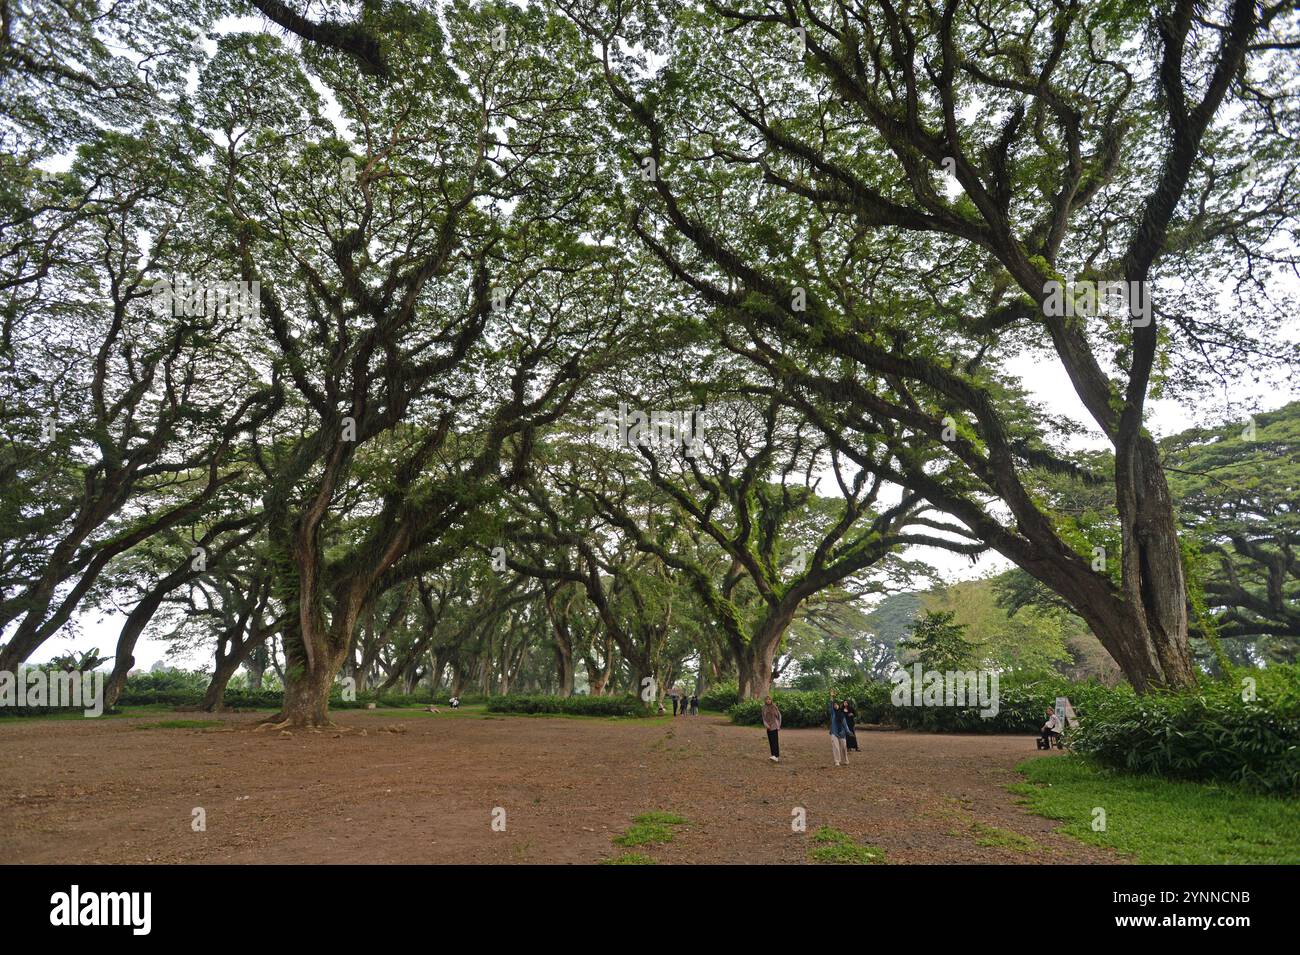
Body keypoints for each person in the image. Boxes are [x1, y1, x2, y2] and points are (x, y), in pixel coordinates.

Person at [828, 691, 850, 766]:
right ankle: (837, 761)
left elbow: (845, 724)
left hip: (842, 732)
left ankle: (846, 760)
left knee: (844, 747)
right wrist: (831, 697)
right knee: (836, 747)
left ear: (839, 705)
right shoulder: (833, 713)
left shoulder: (842, 714)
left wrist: (848, 731)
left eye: (836, 704)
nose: (835, 706)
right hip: (834, 732)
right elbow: (830, 704)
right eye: (834, 705)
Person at [761, 695, 782, 762]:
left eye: (769, 699)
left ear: (771, 700)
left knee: (775, 741)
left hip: (774, 726)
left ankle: (776, 756)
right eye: (767, 699)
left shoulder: (774, 707)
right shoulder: (764, 708)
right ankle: (773, 755)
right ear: (765, 701)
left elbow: (779, 716)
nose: (768, 700)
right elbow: (763, 718)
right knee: (771, 741)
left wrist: (779, 725)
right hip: (768, 727)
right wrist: (766, 725)